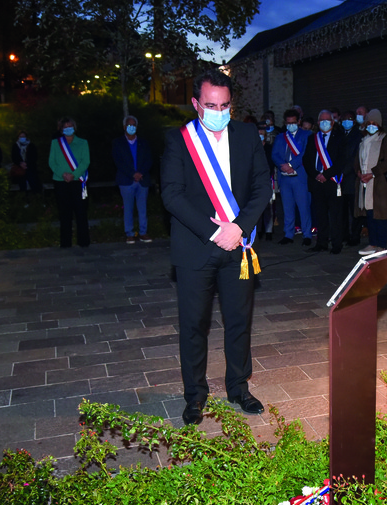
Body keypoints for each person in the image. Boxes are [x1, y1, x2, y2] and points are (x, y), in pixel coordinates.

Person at [161, 69, 271, 426]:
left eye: (224, 105)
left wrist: (238, 227)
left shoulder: (247, 135)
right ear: (196, 104)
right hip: (196, 248)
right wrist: (216, 233)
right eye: (210, 105)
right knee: (194, 325)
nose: (218, 111)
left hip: (238, 246)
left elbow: (261, 188)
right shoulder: (179, 140)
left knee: (239, 321)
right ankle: (195, 395)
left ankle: (238, 387)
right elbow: (172, 196)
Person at [302, 109, 347, 254]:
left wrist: (326, 174)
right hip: (317, 182)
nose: (325, 123)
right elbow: (307, 160)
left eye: (328, 120)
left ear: (333, 123)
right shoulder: (312, 139)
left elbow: (341, 161)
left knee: (335, 215)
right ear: (318, 122)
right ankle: (321, 243)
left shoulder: (340, 138)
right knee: (320, 214)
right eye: (322, 120)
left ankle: (336, 244)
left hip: (332, 181)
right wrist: (316, 174)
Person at [356, 109, 387, 255]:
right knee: (369, 213)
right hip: (365, 182)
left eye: (374, 123)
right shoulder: (363, 141)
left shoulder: (385, 140)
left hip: (379, 183)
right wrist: (359, 172)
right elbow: (357, 161)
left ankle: (381, 245)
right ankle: (372, 243)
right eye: (369, 123)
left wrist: (372, 173)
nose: (371, 126)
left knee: (380, 214)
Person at [271, 108, 313, 246]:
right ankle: (288, 234)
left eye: (293, 122)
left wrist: (291, 165)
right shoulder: (280, 137)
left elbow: (305, 153)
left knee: (304, 207)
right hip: (285, 178)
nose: (291, 125)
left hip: (299, 177)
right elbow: (274, 154)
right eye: (288, 123)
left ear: (299, 121)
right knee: (287, 208)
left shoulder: (307, 135)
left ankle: (307, 234)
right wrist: (282, 165)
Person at [49, 116, 91, 248]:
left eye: (70, 126)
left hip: (77, 181)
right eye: (65, 127)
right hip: (61, 181)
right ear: (61, 129)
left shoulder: (83, 143)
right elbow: (52, 162)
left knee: (81, 212)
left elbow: (86, 161)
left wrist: (74, 175)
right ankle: (66, 242)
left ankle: (83, 241)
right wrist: (63, 174)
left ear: (74, 127)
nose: (68, 129)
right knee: (64, 213)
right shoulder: (56, 143)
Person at [113, 115, 153, 244]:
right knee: (128, 208)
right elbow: (118, 162)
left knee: (142, 208)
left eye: (134, 125)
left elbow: (149, 160)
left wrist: (140, 173)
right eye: (129, 125)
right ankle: (129, 233)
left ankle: (143, 232)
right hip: (126, 181)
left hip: (142, 180)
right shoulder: (118, 143)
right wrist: (132, 174)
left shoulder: (143, 143)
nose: (132, 127)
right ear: (124, 127)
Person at [340, 110, 364, 246]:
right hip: (340, 180)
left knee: (354, 211)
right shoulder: (339, 134)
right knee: (342, 210)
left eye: (349, 119)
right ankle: (344, 234)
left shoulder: (357, 136)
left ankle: (355, 236)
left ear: (354, 121)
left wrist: (343, 171)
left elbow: (354, 158)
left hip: (351, 178)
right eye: (344, 119)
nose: (346, 122)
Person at [11, 130, 42, 202]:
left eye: (23, 136)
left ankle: (37, 200)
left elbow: (34, 157)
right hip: (20, 169)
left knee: (34, 181)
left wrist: (27, 164)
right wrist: (20, 163)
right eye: (21, 136)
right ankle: (24, 200)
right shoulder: (15, 146)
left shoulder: (31, 146)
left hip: (30, 168)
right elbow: (14, 157)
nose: (22, 138)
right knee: (21, 181)